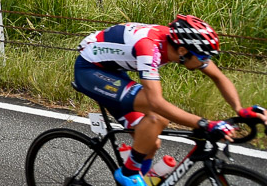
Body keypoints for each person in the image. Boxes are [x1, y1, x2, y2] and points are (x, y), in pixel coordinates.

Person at [74, 15, 266, 186]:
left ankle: (138, 175)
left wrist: (240, 109)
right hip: (90, 70)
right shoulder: (149, 48)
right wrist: (204, 124)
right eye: (202, 56)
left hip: (113, 70)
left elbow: (219, 77)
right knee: (158, 114)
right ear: (182, 50)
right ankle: (128, 173)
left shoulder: (180, 45)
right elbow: (155, 102)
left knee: (151, 140)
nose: (205, 61)